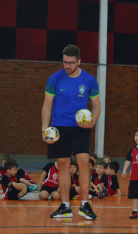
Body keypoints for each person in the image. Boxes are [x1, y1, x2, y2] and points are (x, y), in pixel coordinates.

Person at [42, 44, 100, 220]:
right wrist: (44, 129)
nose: (67, 66)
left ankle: (85, 205)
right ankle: (65, 206)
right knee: (63, 165)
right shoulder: (54, 79)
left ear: (79, 61)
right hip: (59, 127)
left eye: (71, 63)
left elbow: (96, 106)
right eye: (65, 62)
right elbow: (47, 105)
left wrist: (93, 122)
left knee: (83, 162)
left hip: (80, 128)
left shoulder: (89, 80)